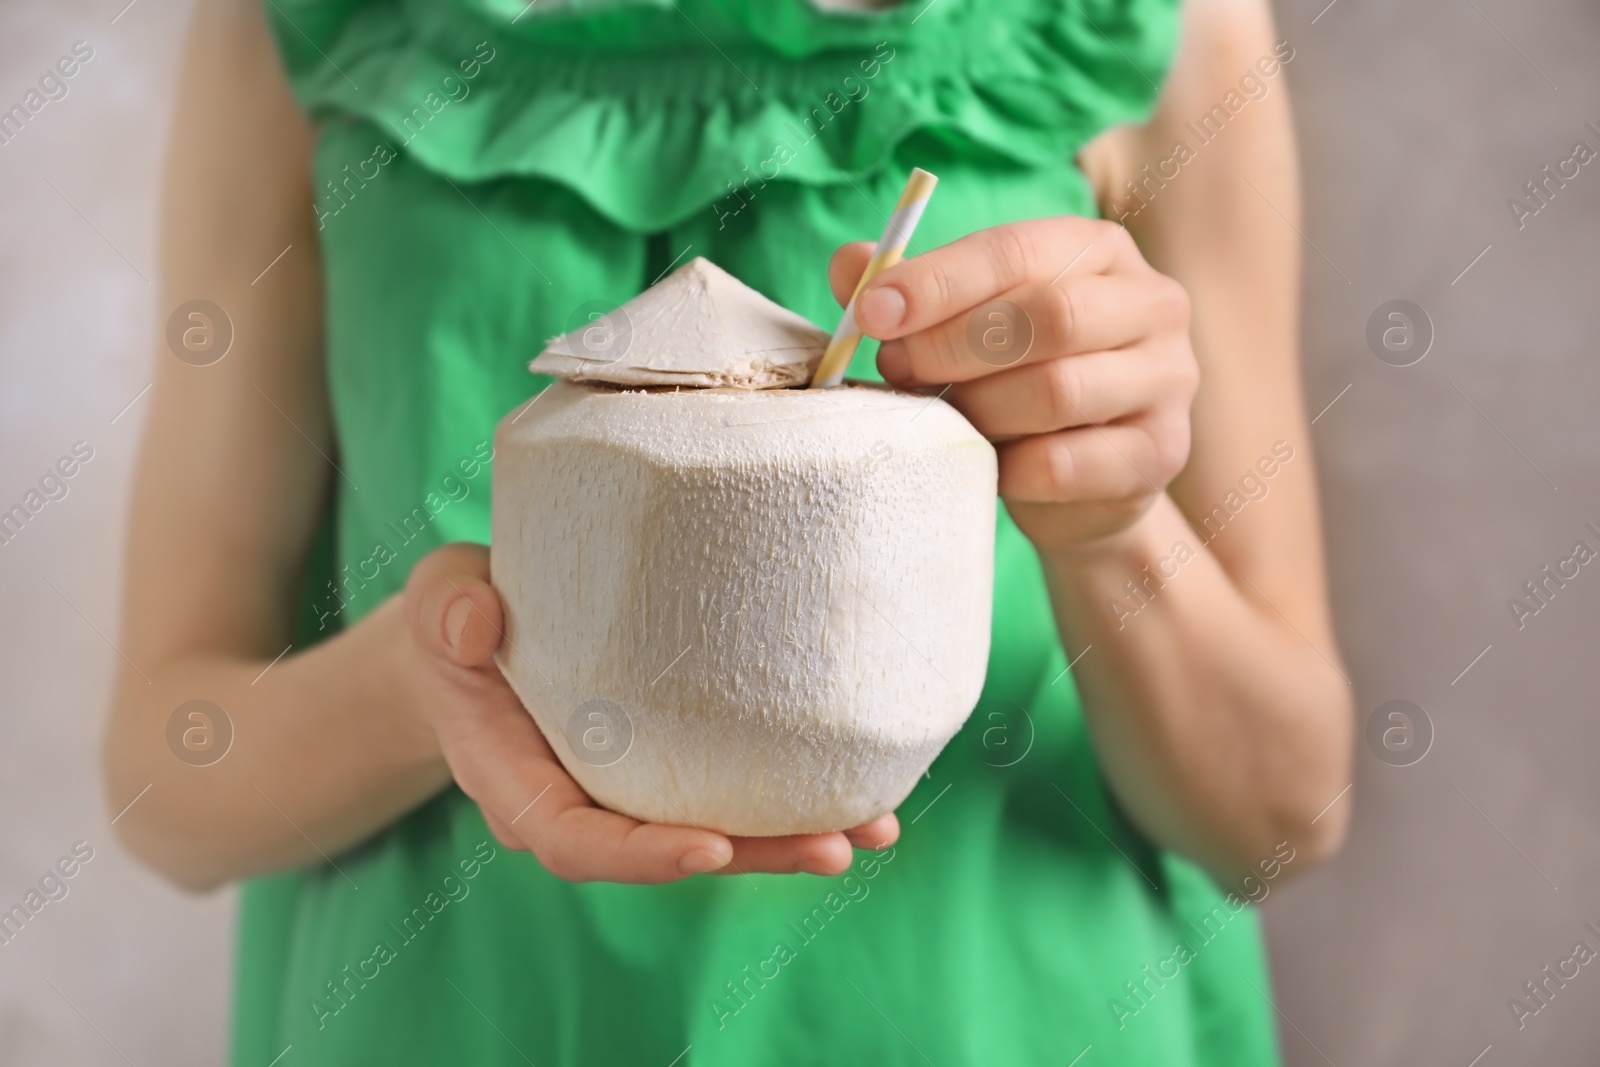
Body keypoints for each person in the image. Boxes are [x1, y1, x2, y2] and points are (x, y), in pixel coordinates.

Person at [106, 0, 1352, 1062]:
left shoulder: (1147, 25)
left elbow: (1286, 809)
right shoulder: (305, 29)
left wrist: (1111, 526)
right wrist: (437, 679)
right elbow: (163, 783)